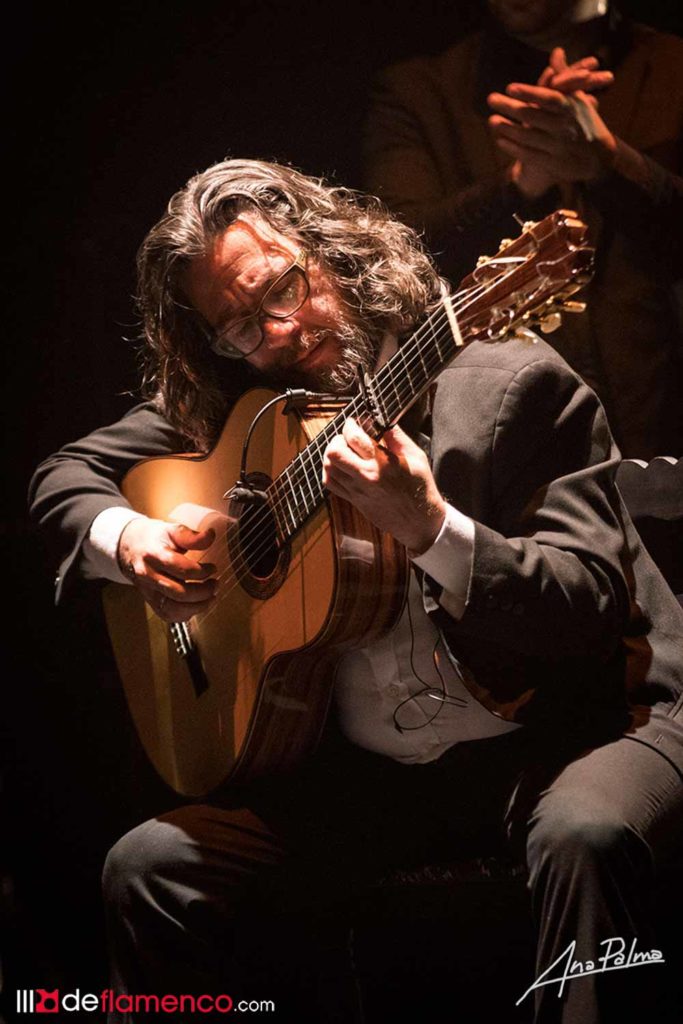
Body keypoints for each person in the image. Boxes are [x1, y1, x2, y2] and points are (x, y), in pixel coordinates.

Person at [29, 159, 683, 1024]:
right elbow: (65, 475)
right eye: (238, 327)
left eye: (283, 288)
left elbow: (585, 609)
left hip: (571, 725)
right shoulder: (248, 403)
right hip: (380, 777)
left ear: (333, 252)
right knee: (150, 867)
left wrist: (429, 528)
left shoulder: (511, 382)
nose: (277, 332)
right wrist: (133, 540)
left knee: (585, 836)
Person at [362, 0, 683, 460]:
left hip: (665, 424)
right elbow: (395, 266)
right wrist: (519, 183)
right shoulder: (420, 92)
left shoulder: (672, 65)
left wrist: (610, 163)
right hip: (512, 450)